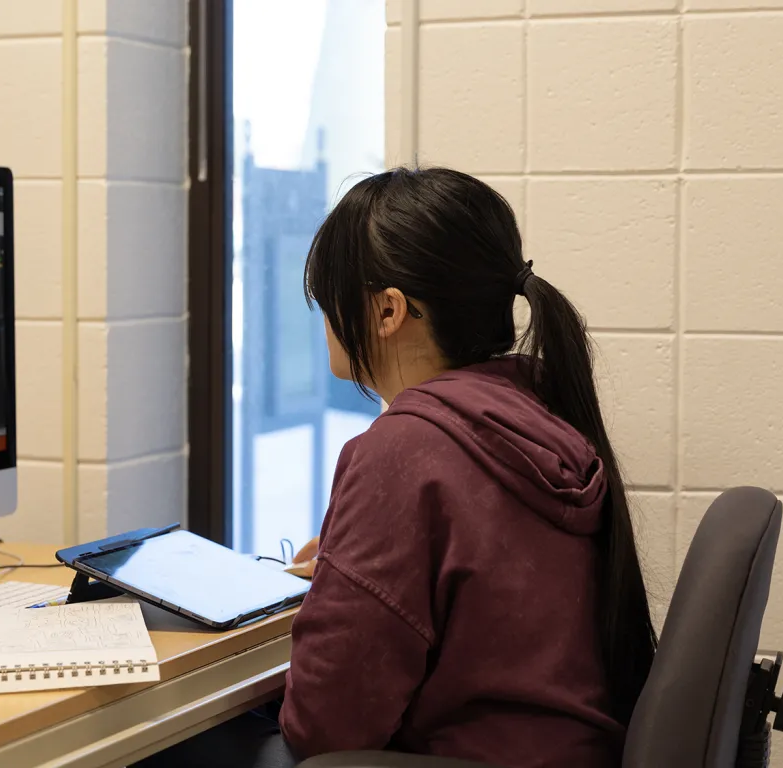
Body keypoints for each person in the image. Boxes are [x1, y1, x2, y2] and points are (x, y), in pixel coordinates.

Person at [136, 167, 657, 768]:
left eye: (331, 296)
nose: (325, 318)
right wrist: (350, 573)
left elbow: (325, 729)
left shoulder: (405, 451)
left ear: (387, 311)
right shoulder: (539, 415)